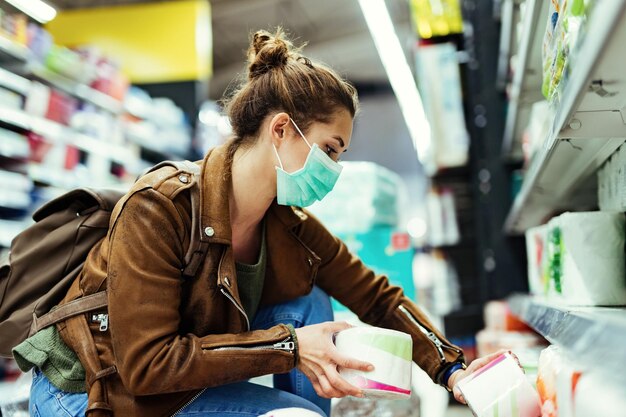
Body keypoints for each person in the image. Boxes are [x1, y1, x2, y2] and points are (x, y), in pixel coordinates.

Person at [21, 28, 491, 417]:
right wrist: (288, 348)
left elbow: (373, 294)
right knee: (293, 408)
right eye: (329, 149)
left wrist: (453, 369)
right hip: (93, 387)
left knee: (309, 300)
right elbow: (147, 366)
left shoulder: (285, 222)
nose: (333, 168)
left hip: (171, 378)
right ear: (282, 129)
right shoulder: (159, 208)